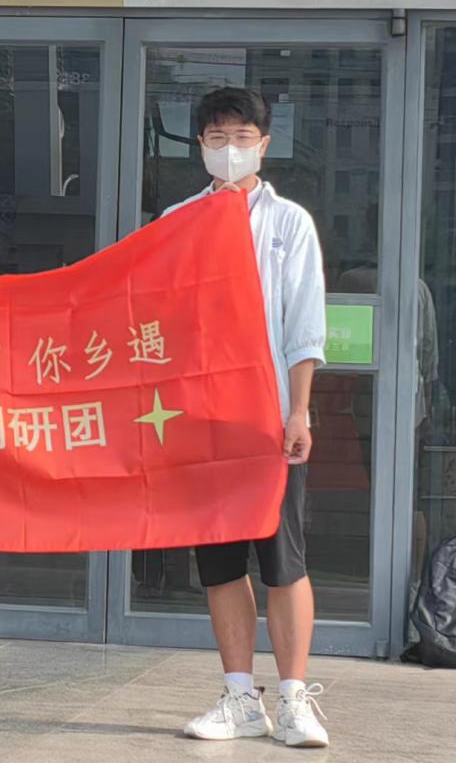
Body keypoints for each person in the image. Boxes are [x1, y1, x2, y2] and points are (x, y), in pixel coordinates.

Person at [160, 87, 329, 748]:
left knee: (284, 561)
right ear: (199, 144)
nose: (228, 148)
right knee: (221, 564)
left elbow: (303, 326)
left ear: (264, 143)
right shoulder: (177, 221)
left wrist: (299, 411)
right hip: (203, 421)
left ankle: (293, 700)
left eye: (241, 136)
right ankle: (238, 697)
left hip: (269, 421)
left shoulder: (288, 224)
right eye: (215, 136)